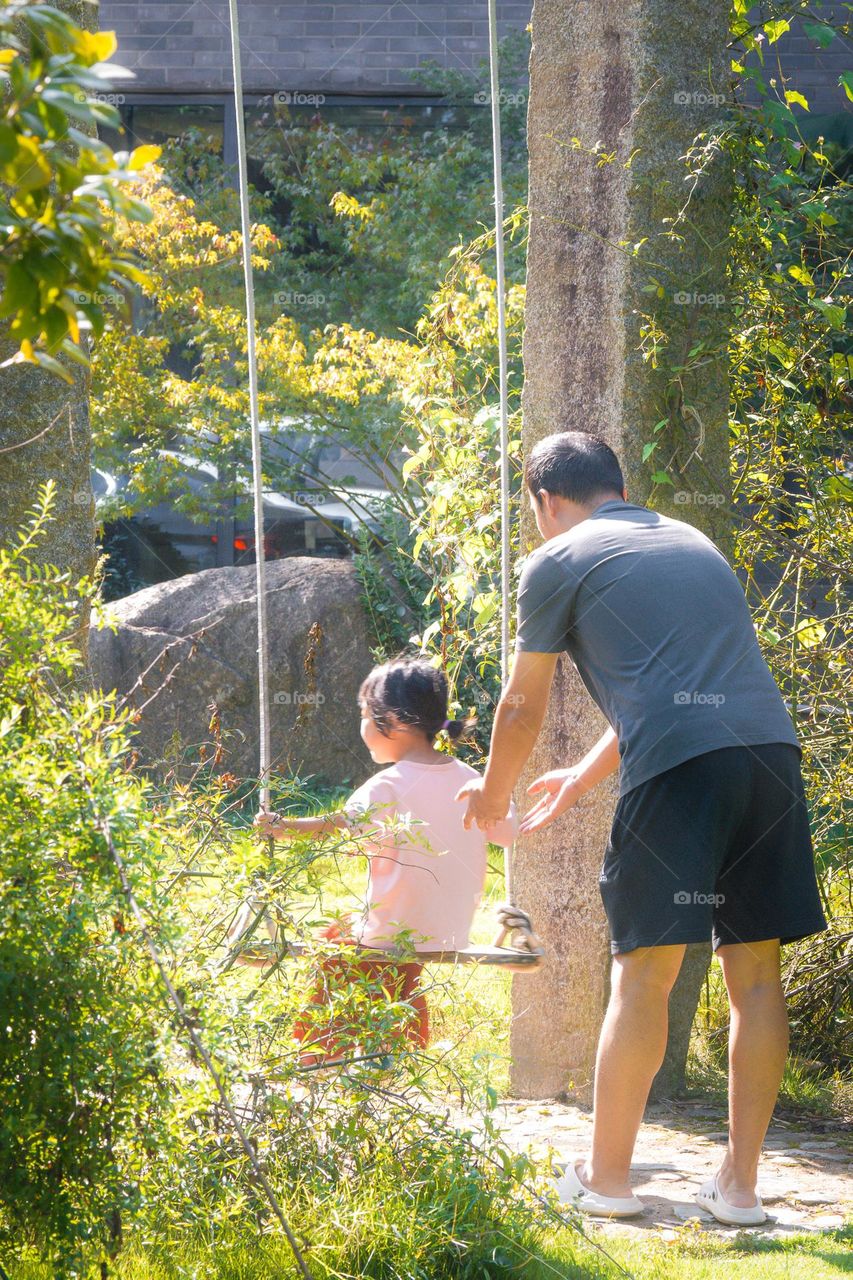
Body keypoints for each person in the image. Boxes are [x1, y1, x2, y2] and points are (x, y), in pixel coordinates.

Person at [456, 431, 827, 1225]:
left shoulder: (555, 558)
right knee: (755, 976)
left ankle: (608, 1180)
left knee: (643, 975)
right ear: (616, 486)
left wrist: (492, 798)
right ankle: (738, 1190)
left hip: (681, 771)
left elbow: (520, 704)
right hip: (767, 755)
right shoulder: (691, 542)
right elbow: (690, 682)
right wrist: (582, 774)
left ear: (545, 501)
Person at [256, 658, 517, 1066]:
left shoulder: (386, 786)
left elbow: (336, 828)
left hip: (391, 933)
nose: (360, 726)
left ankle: (321, 1059)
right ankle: (395, 1052)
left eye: (363, 715)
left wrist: (280, 826)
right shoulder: (473, 780)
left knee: (335, 947)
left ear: (391, 719)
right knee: (396, 966)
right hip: (451, 934)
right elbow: (509, 832)